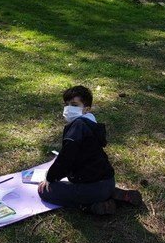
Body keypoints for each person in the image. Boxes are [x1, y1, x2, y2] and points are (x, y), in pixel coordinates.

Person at [38, 85, 143, 214]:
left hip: (92, 187)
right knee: (93, 188)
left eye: (74, 105)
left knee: (44, 190)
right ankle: (112, 192)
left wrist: (50, 178)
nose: (69, 108)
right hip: (108, 181)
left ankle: (91, 206)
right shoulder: (92, 125)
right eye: (67, 104)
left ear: (86, 109)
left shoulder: (78, 126)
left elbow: (66, 159)